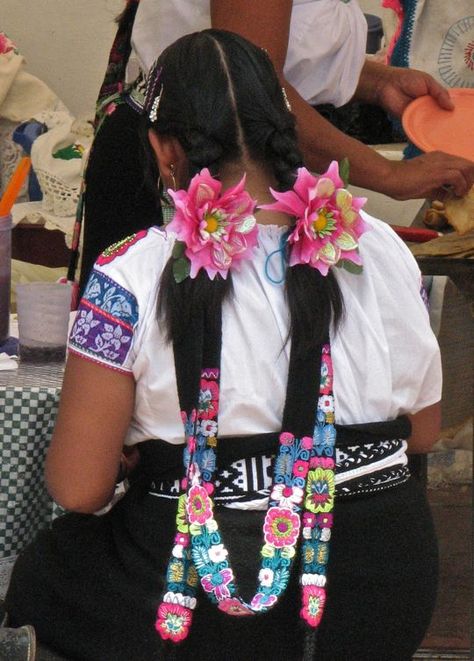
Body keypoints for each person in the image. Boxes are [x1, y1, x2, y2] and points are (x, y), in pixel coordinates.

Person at [4, 29, 441, 661]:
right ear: (286, 133)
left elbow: (78, 488)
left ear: (163, 150)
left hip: (196, 598)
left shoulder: (128, 273)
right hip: (380, 591)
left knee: (50, 568)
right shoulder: (376, 244)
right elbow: (421, 432)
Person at [77, 0, 474, 295]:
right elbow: (251, 92)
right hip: (184, 168)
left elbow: (277, 52)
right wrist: (390, 175)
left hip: (237, 158)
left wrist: (376, 82)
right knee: (172, 370)